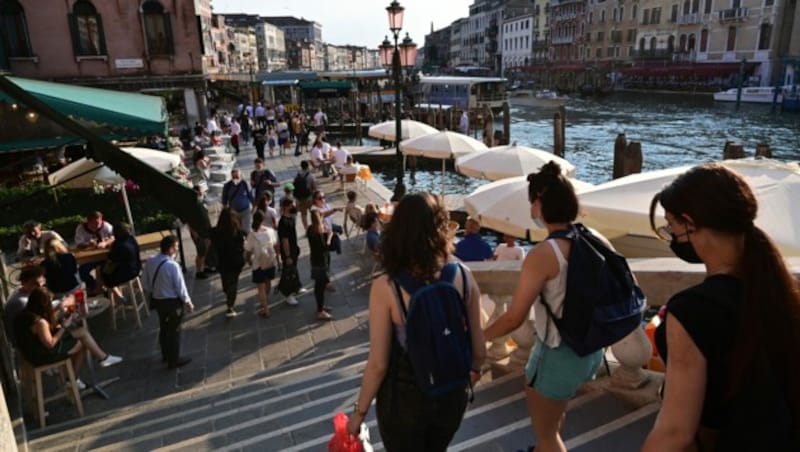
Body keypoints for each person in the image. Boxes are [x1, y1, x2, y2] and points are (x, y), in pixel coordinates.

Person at [642, 164, 800, 451]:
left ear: (690, 223)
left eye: (671, 227)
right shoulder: (778, 292)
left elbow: (675, 433)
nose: (671, 237)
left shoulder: (691, 312)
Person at [345, 193, 486, 449]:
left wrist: (359, 414)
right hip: (451, 396)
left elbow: (378, 365)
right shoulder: (464, 276)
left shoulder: (386, 287)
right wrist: (470, 375)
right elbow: (479, 351)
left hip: (404, 401)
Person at [483, 162, 605, 452]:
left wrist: (480, 337)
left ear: (538, 204)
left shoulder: (543, 254)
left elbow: (514, 318)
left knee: (547, 436)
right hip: (589, 349)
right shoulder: (595, 239)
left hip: (557, 352)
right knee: (554, 418)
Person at [15, 287, 122, 385]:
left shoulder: (27, 313)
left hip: (31, 353)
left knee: (82, 335)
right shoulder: (40, 322)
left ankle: (80, 374)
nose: (51, 305)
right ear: (43, 305)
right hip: (43, 355)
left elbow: (42, 332)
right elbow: (50, 344)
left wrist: (61, 313)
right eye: (49, 303)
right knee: (82, 341)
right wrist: (64, 326)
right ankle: (76, 376)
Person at [143, 235, 194, 369]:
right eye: (176, 247)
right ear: (171, 249)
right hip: (172, 302)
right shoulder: (173, 266)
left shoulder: (150, 261)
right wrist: (188, 301)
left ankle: (165, 355)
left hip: (158, 302)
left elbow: (145, 283)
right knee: (174, 330)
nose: (177, 249)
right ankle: (174, 359)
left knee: (164, 328)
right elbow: (180, 287)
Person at [211, 208, 246, 318]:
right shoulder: (238, 232)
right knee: (233, 283)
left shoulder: (215, 232)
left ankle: (229, 299)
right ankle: (230, 304)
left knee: (226, 281)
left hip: (222, 262)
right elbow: (242, 245)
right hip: (236, 262)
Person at [245, 211, 279, 319]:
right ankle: (265, 300)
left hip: (258, 264)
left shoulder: (252, 234)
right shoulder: (270, 231)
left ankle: (266, 309)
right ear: (263, 219)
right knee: (268, 282)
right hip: (270, 261)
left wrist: (248, 260)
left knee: (260, 288)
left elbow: (248, 250)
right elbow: (275, 244)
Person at [100, 223, 142, 307]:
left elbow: (111, 260)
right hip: (136, 268)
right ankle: (118, 294)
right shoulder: (131, 239)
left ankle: (118, 296)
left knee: (103, 272)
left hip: (126, 274)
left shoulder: (118, 245)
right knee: (108, 271)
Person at [3, 266, 46, 346]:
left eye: (42, 282)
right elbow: (41, 318)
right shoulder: (22, 301)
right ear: (24, 283)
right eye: (35, 283)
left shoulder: (21, 291)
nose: (40, 286)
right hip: (23, 342)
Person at [74, 211, 114, 295]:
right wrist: (88, 244)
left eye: (99, 222)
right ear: (89, 222)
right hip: (90, 258)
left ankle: (107, 288)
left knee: (105, 270)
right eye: (95, 223)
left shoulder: (105, 225)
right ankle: (95, 287)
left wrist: (106, 243)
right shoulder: (81, 228)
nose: (98, 225)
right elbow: (78, 244)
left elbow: (114, 236)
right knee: (82, 271)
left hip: (103, 256)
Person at [307, 210, 333, 321]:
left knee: (319, 285)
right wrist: (330, 236)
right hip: (320, 263)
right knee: (320, 288)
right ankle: (320, 311)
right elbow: (325, 248)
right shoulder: (318, 234)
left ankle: (321, 307)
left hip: (314, 260)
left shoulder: (310, 229)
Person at [277, 197, 301, 306]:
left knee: (293, 269)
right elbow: (284, 240)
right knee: (288, 272)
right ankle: (288, 294)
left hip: (293, 249)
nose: (293, 206)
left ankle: (295, 287)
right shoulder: (283, 222)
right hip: (288, 251)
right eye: (291, 204)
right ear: (286, 207)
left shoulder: (290, 218)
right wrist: (287, 256)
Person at [221, 168, 254, 234]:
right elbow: (224, 200)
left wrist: (253, 209)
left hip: (245, 211)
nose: (235, 178)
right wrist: (229, 211)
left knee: (246, 230)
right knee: (236, 231)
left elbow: (251, 197)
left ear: (240, 176)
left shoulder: (245, 184)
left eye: (237, 176)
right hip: (234, 212)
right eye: (234, 177)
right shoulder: (227, 186)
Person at [292, 161, 317, 230]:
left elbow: (293, 186)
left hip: (300, 198)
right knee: (313, 213)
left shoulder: (297, 175)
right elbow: (314, 187)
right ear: (308, 166)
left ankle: (306, 229)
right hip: (309, 198)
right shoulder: (310, 175)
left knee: (303, 215)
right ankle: (314, 228)